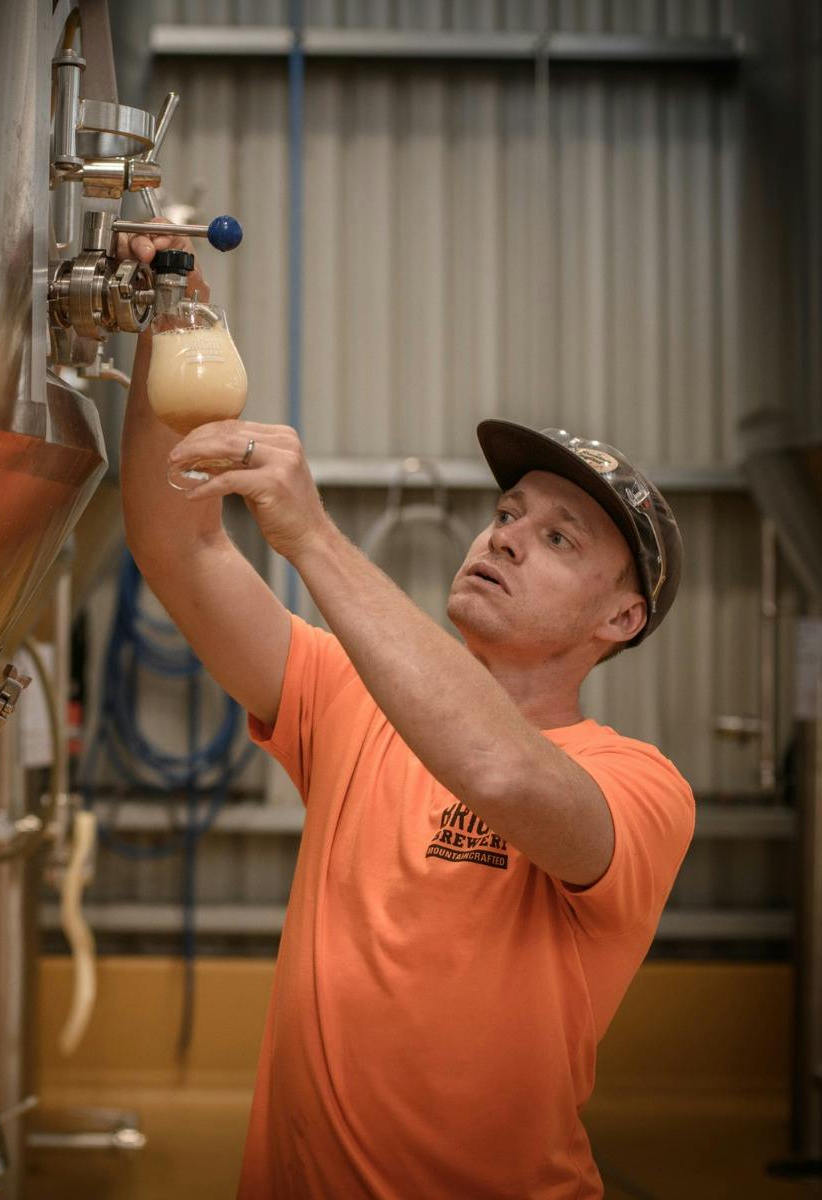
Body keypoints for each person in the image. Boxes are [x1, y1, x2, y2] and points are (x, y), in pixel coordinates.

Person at [117, 230, 692, 1198]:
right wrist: (168, 323)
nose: (506, 539)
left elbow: (500, 773)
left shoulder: (637, 786)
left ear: (620, 617)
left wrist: (308, 533)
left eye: (558, 538)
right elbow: (182, 554)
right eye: (508, 513)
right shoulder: (348, 694)